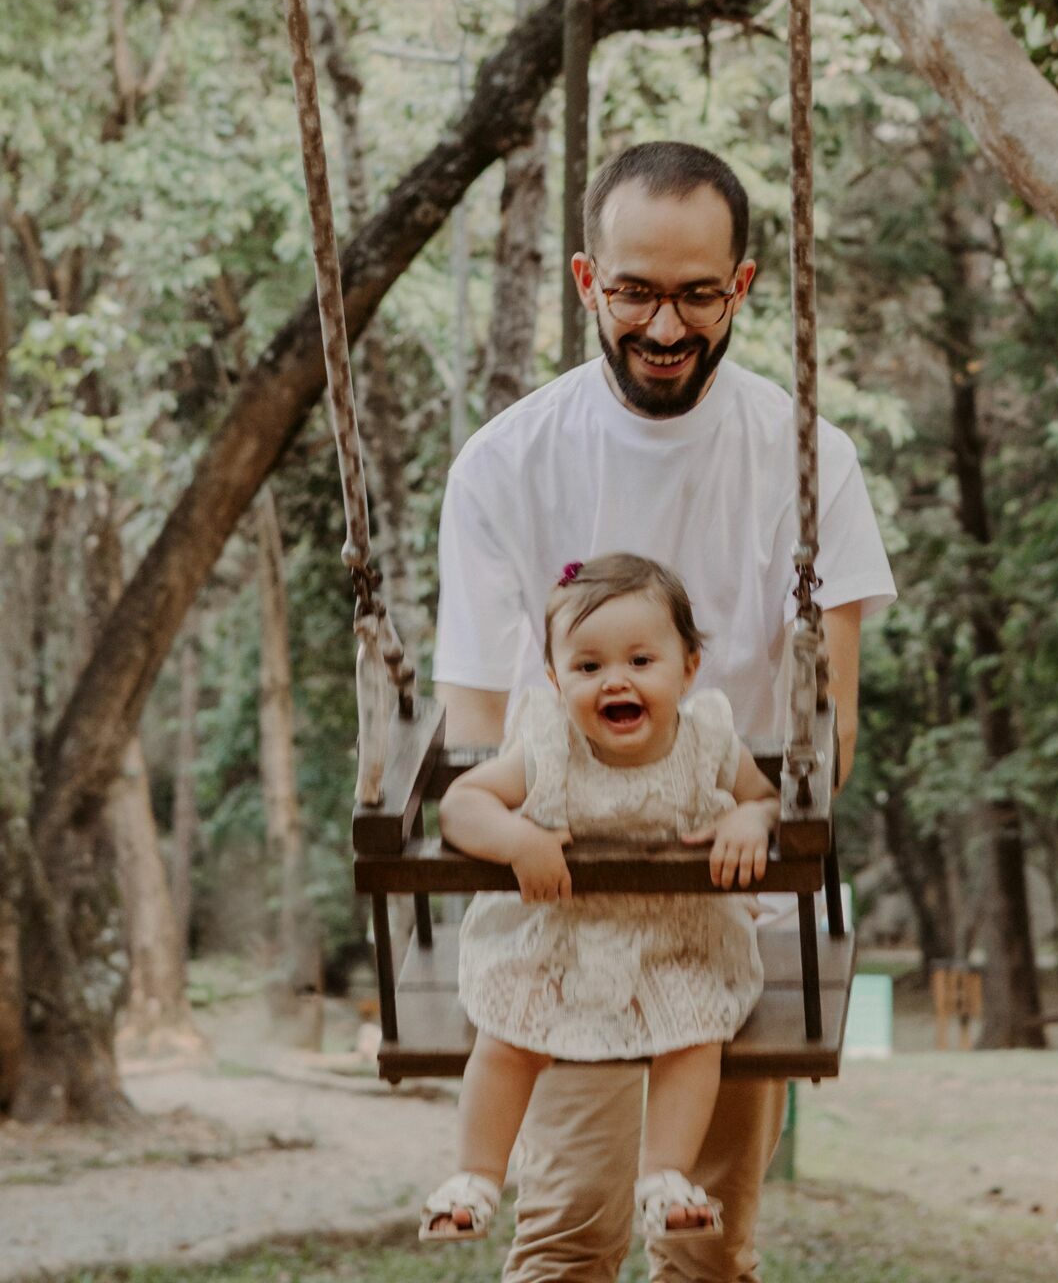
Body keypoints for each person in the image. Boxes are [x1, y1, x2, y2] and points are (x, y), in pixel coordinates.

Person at [433, 140, 896, 1283]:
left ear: (739, 287)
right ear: (589, 281)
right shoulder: (506, 463)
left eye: (698, 293)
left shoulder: (807, 463)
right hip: (568, 923)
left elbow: (825, 729)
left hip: (728, 922)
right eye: (635, 290)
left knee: (702, 1250)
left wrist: (762, 815)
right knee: (570, 1237)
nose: (665, 326)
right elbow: (479, 729)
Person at [420, 553, 779, 1246]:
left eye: (641, 660)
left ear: (687, 669)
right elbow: (461, 804)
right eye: (587, 668)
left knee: (695, 1033)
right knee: (508, 1032)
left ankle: (664, 1177)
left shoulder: (706, 741)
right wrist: (517, 840)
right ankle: (475, 1177)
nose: (614, 679)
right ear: (555, 682)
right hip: (558, 934)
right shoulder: (549, 746)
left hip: (675, 937)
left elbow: (764, 799)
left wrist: (747, 818)